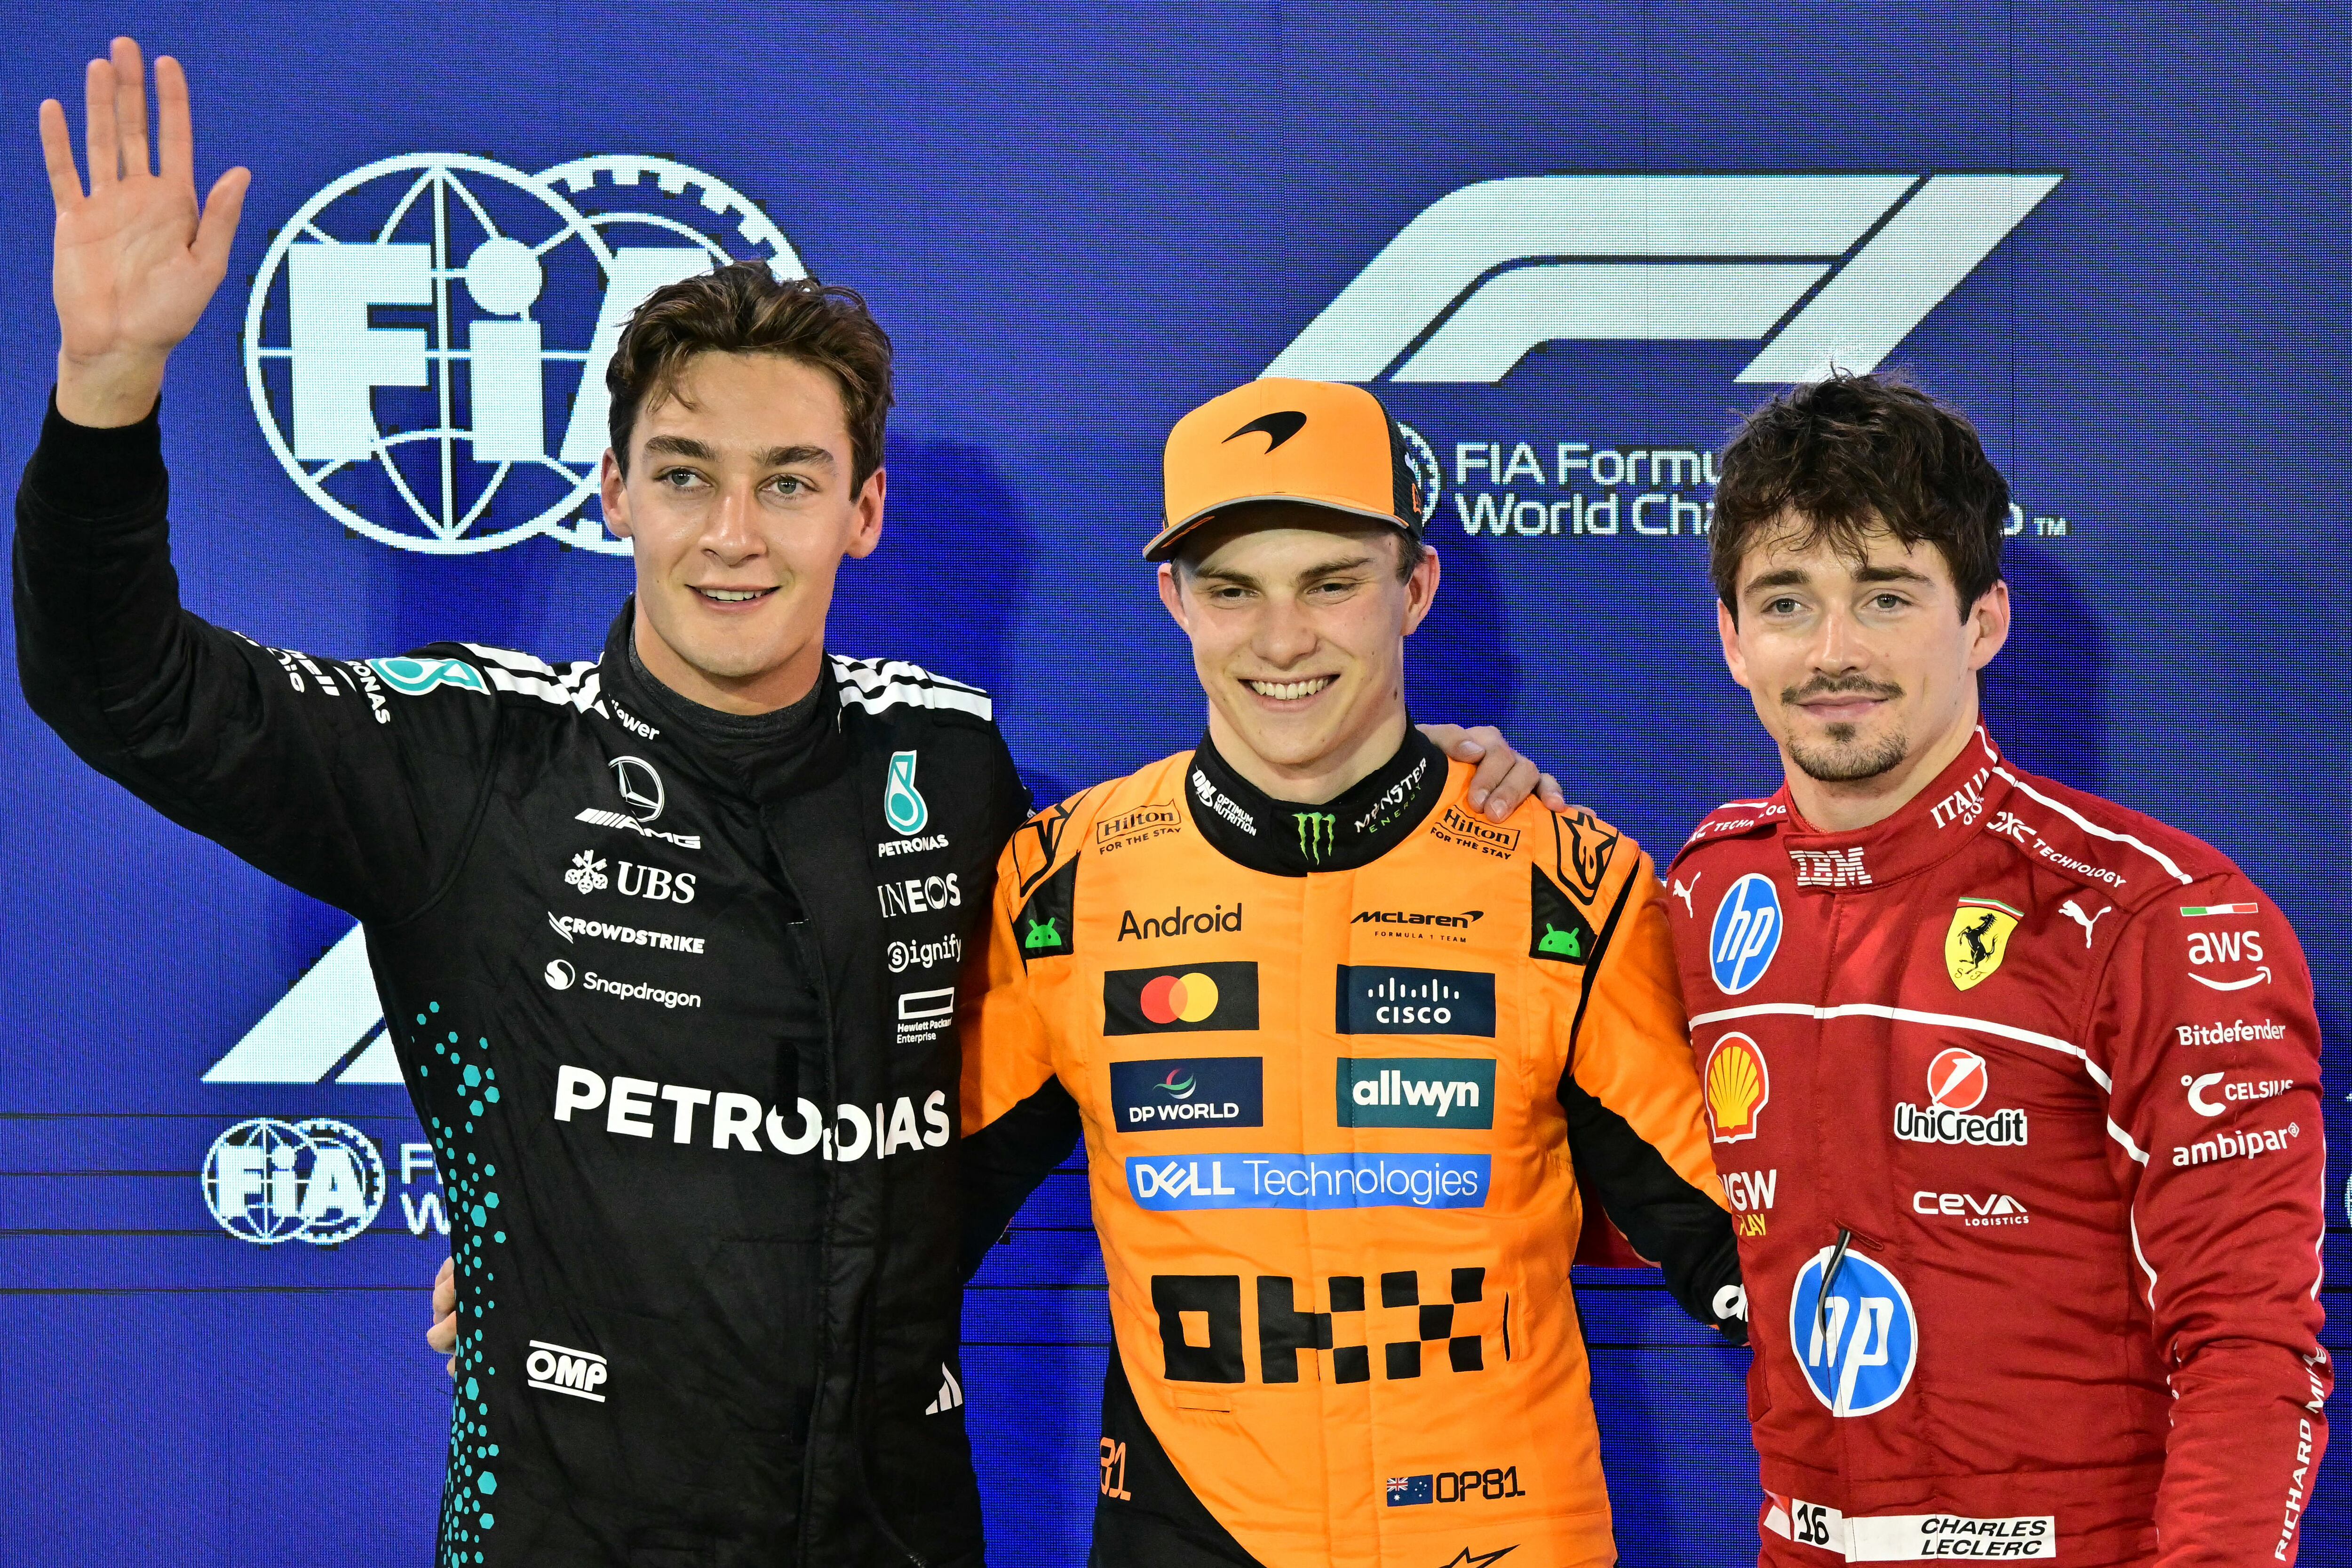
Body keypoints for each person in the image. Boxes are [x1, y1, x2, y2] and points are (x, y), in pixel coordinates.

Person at [23, 41, 1556, 1567]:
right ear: (613, 489)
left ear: (863, 510)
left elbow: (1184, 908)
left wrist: (1418, 797)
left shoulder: (946, 764)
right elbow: (127, 687)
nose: (735, 536)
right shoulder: (468, 754)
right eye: (686, 476)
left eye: (790, 480)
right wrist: (109, 385)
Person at [957, 376, 1748, 1568]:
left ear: (1414, 589)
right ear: (1174, 599)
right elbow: (888, 1236)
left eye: (1332, 583)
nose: (1283, 639)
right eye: (1235, 591)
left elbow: (1744, 1250)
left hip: (1503, 1536)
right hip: (1193, 1536)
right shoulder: (1064, 883)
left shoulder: (1567, 881)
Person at [1668, 373, 2330, 1564]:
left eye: (1884, 597)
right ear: (1731, 639)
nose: (1832, 652)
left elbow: (2246, 1337)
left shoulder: (2154, 912)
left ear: (1983, 622)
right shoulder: (1707, 891)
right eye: (1785, 601)